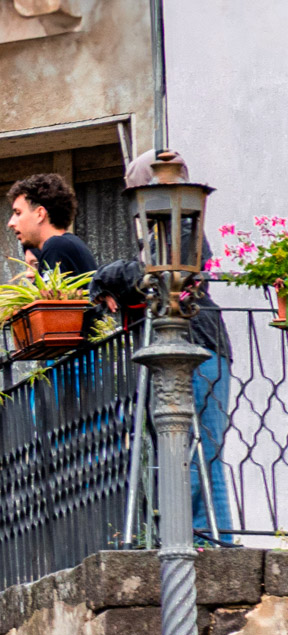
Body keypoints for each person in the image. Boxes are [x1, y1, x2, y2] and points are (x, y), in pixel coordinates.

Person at [124, 149, 237, 544]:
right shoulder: (172, 230)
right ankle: (207, 537)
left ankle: (208, 540)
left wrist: (107, 278)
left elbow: (151, 273)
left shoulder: (181, 231)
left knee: (200, 450)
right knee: (197, 450)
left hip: (201, 346)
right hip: (202, 347)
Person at [6, 172, 97, 276]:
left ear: (40, 214)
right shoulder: (66, 244)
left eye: (18, 213)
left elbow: (53, 292)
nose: (10, 223)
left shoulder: (56, 246)